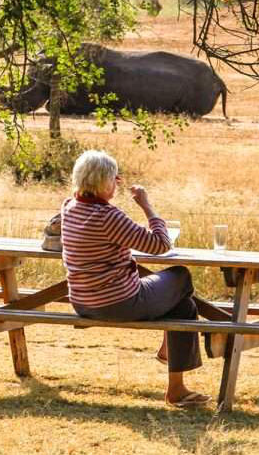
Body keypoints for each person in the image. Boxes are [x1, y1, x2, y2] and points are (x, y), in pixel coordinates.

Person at [60, 149, 209, 407]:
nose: (117, 184)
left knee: (184, 307)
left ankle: (177, 390)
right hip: (119, 303)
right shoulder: (109, 217)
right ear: (105, 181)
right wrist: (146, 206)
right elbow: (160, 244)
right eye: (114, 179)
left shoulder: (69, 208)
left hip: (82, 302)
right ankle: (167, 351)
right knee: (181, 276)